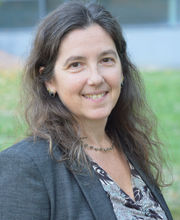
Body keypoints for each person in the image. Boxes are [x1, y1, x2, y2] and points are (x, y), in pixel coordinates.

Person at [0, 1, 173, 220]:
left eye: (106, 60)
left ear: (122, 70)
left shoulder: (129, 147)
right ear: (49, 80)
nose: (96, 78)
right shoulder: (24, 167)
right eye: (76, 65)